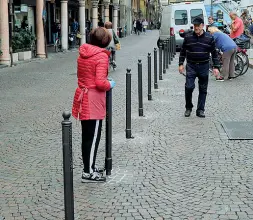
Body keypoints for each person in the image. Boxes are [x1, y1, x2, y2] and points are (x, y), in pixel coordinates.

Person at [72, 27, 116, 182]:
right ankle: (88, 172)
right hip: (94, 100)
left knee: (87, 136)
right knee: (94, 136)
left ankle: (89, 166)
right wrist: (109, 84)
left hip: (83, 96)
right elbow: (99, 82)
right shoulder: (101, 57)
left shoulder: (83, 53)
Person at [179, 17, 220, 118]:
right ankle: (188, 107)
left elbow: (214, 53)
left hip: (204, 66)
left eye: (198, 26)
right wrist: (180, 64)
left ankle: (200, 110)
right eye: (194, 26)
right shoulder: (188, 37)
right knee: (189, 87)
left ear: (202, 25)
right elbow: (183, 51)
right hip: (191, 66)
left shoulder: (209, 38)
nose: (196, 27)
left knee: (203, 89)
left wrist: (216, 67)